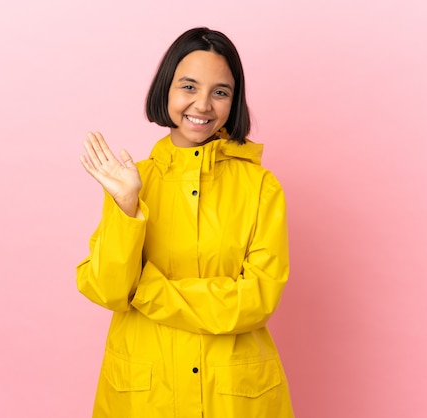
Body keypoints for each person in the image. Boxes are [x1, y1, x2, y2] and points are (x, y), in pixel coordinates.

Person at [77, 27, 294, 418]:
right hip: (145, 394)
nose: (203, 104)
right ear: (166, 90)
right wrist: (126, 205)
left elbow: (256, 301)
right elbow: (109, 290)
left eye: (220, 92)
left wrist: (145, 289)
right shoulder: (133, 182)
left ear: (234, 101)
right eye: (189, 87)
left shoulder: (261, 187)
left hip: (232, 395)